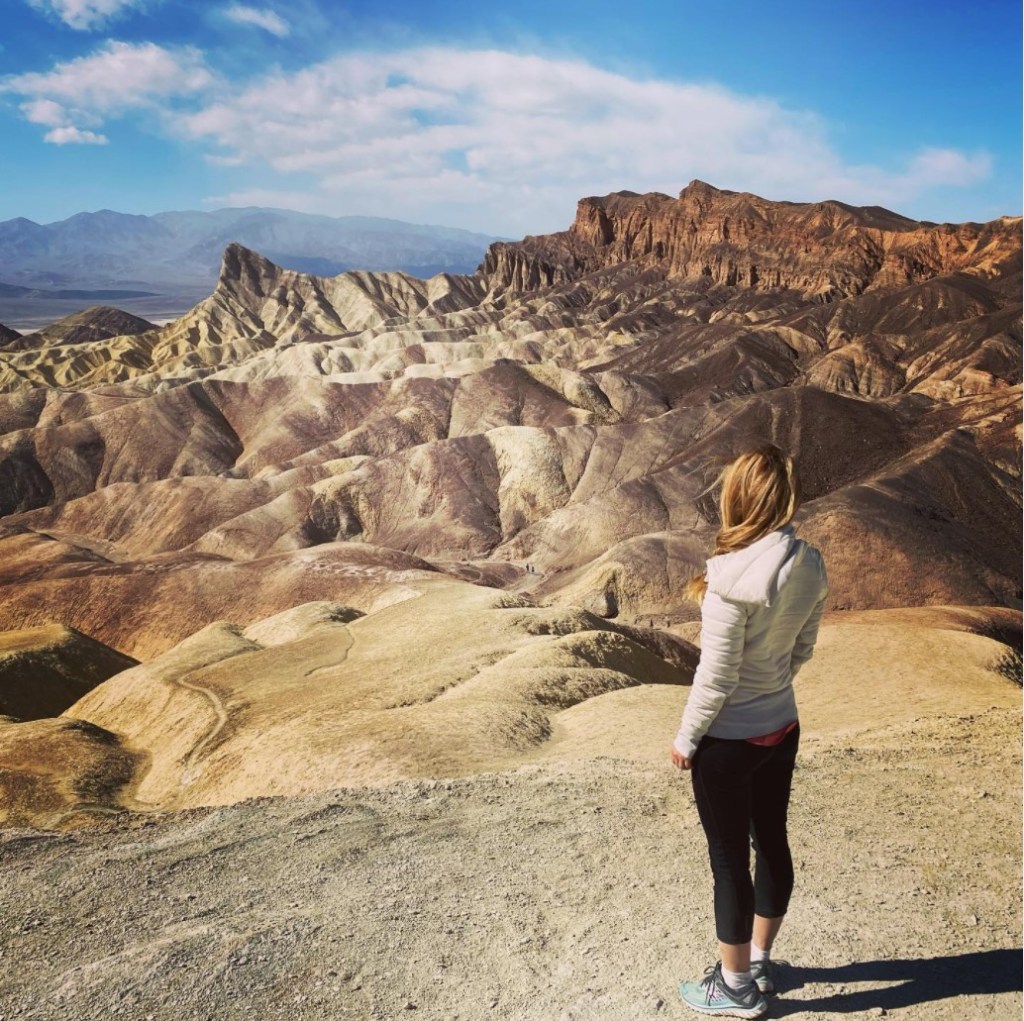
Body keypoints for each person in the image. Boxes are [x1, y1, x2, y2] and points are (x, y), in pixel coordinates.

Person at [670, 445, 828, 1019]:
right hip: (781, 726)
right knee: (772, 842)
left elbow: (716, 676)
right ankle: (759, 962)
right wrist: (772, 686)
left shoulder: (727, 579)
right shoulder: (810, 564)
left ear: (735, 499)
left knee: (729, 860)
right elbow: (803, 647)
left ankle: (735, 987)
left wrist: (687, 738)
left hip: (729, 743)